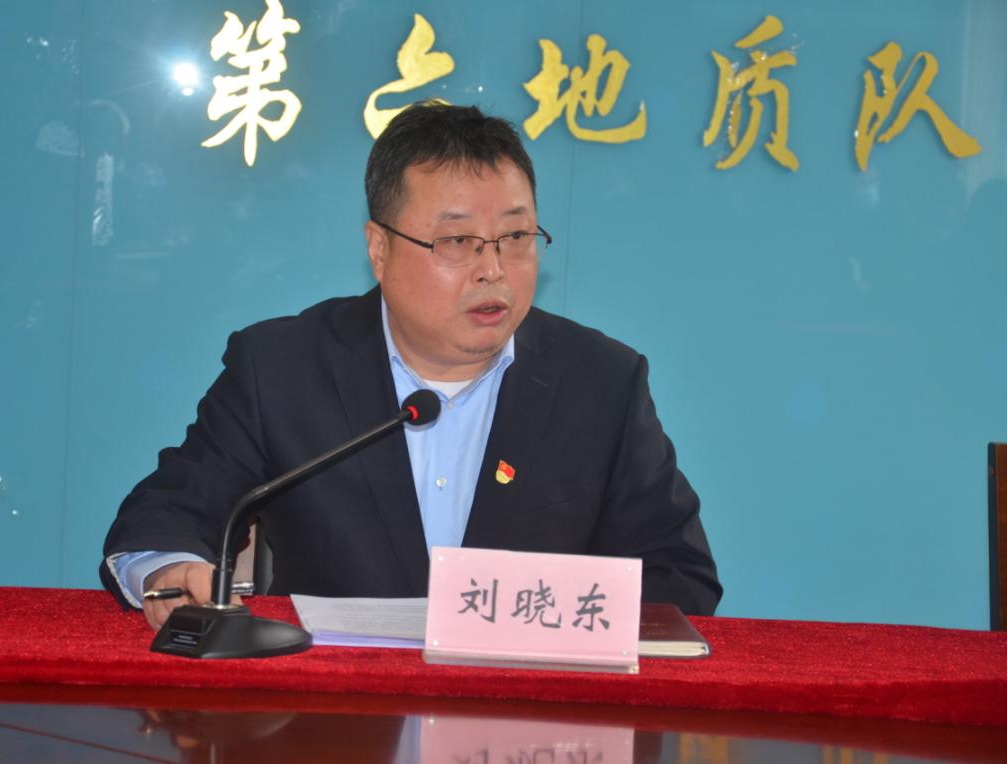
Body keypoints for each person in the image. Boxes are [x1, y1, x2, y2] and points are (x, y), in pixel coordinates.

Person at [101, 102, 721, 629]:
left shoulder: (601, 383)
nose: (493, 270)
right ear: (380, 248)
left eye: (515, 237)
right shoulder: (282, 369)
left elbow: (678, 575)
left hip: (523, 712)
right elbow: (167, 516)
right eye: (456, 241)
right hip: (334, 710)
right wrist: (171, 571)